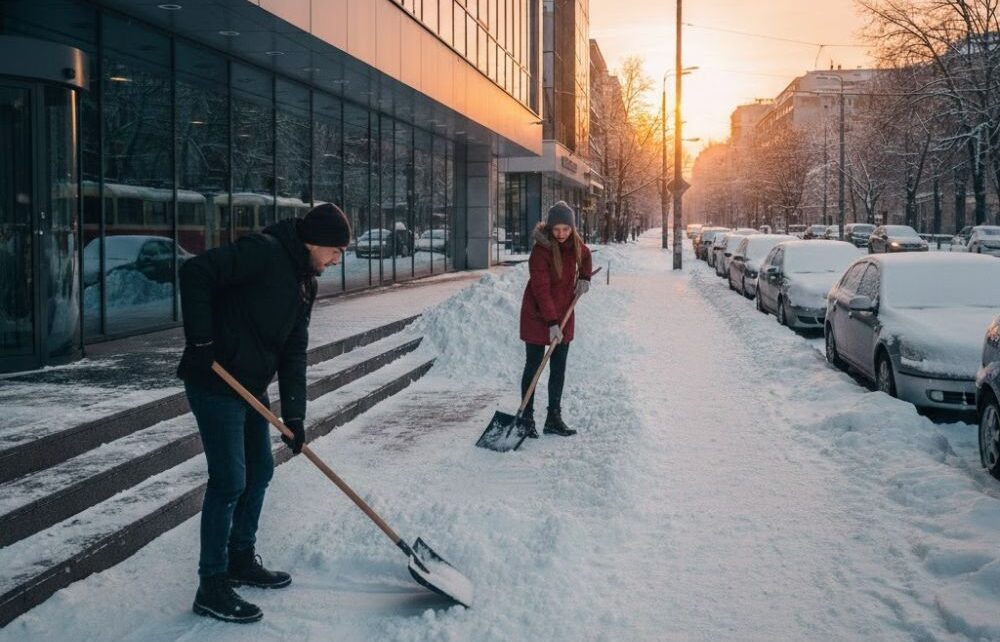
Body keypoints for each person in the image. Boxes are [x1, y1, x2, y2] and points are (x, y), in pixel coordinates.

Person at [176, 203, 351, 623]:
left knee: (260, 471)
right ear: (315, 242)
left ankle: (239, 558)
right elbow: (195, 273)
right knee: (229, 480)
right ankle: (211, 584)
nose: (337, 259)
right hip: (215, 381)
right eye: (335, 251)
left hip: (250, 388)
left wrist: (294, 416)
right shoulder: (262, 251)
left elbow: (294, 350)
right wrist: (201, 342)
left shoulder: (305, 281)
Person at [518, 201, 593, 438]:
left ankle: (553, 418)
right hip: (538, 314)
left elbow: (587, 256)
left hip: (564, 314)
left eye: (566, 229)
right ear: (549, 228)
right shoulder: (540, 250)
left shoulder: (575, 245)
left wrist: (585, 278)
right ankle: (526, 418)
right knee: (534, 366)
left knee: (558, 369)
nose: (561, 234)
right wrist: (551, 323)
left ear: (572, 229)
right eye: (557, 229)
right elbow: (541, 290)